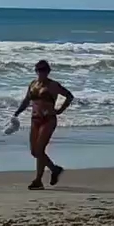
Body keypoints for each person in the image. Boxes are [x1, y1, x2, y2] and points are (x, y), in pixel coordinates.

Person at [14, 59, 74, 191]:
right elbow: (26, 100)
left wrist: (60, 110)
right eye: (39, 70)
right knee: (34, 151)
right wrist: (17, 113)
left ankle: (38, 180)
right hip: (35, 119)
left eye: (44, 70)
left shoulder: (53, 85)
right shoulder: (33, 84)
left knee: (40, 150)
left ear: (48, 71)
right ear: (36, 71)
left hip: (48, 119)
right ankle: (54, 169)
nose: (41, 73)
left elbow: (69, 96)